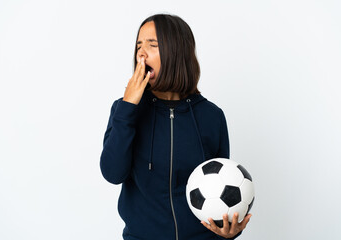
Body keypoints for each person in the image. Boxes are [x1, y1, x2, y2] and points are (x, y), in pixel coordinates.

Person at [100, 14, 251, 240]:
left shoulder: (212, 116)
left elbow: (221, 190)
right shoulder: (125, 111)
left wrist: (227, 233)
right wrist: (128, 107)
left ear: (176, 51)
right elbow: (112, 173)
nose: (141, 52)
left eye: (152, 45)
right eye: (138, 45)